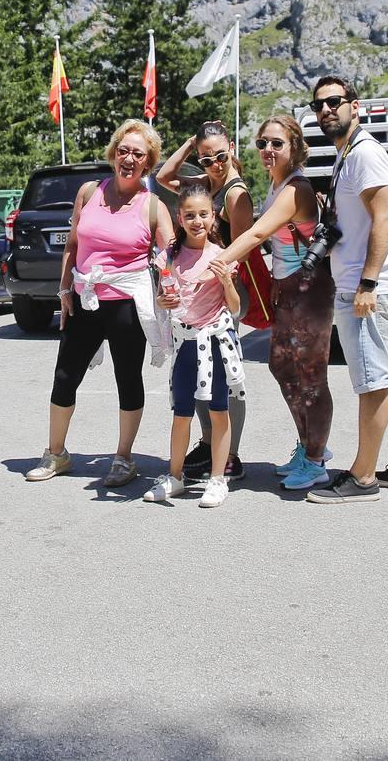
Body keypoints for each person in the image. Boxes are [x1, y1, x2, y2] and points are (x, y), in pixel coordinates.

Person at [26, 119, 174, 488]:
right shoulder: (89, 192)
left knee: (127, 379)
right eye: (123, 150)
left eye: (137, 153)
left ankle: (123, 458)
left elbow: (171, 252)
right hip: (85, 298)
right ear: (114, 153)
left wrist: (171, 281)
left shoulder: (152, 206)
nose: (128, 158)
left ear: (148, 161)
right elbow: (73, 245)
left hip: (126, 302)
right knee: (65, 377)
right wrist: (64, 291)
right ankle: (56, 453)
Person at [302, 76, 388, 504]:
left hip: (365, 289)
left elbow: (384, 219)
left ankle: (363, 476)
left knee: (372, 381)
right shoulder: (347, 156)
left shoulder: (364, 155)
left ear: (356, 106)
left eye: (334, 102)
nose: (326, 110)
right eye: (318, 105)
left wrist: (367, 284)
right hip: (369, 284)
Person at [209, 116, 335, 490]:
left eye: (277, 144)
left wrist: (218, 262)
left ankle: (316, 460)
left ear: (294, 148)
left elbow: (259, 232)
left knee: (311, 377)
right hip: (288, 287)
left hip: (309, 290)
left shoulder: (296, 189)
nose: (268, 150)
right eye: (263, 143)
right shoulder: (277, 184)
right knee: (282, 367)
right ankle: (308, 445)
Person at [156, 120, 253, 482]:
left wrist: (219, 276)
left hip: (221, 288)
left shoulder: (232, 193)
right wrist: (191, 141)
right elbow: (165, 175)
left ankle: (231, 454)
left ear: (232, 150)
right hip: (196, 291)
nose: (213, 162)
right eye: (205, 157)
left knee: (225, 378)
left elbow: (243, 246)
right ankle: (212, 444)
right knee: (199, 373)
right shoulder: (204, 187)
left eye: (220, 155)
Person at [143, 180, 243, 508]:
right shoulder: (168, 256)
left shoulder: (222, 255)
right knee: (181, 413)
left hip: (213, 342)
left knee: (218, 411)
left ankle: (217, 479)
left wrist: (227, 280)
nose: (197, 221)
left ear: (214, 216)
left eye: (204, 214)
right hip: (185, 343)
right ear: (179, 217)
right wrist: (164, 300)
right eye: (190, 215)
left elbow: (235, 306)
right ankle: (175, 476)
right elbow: (164, 299)